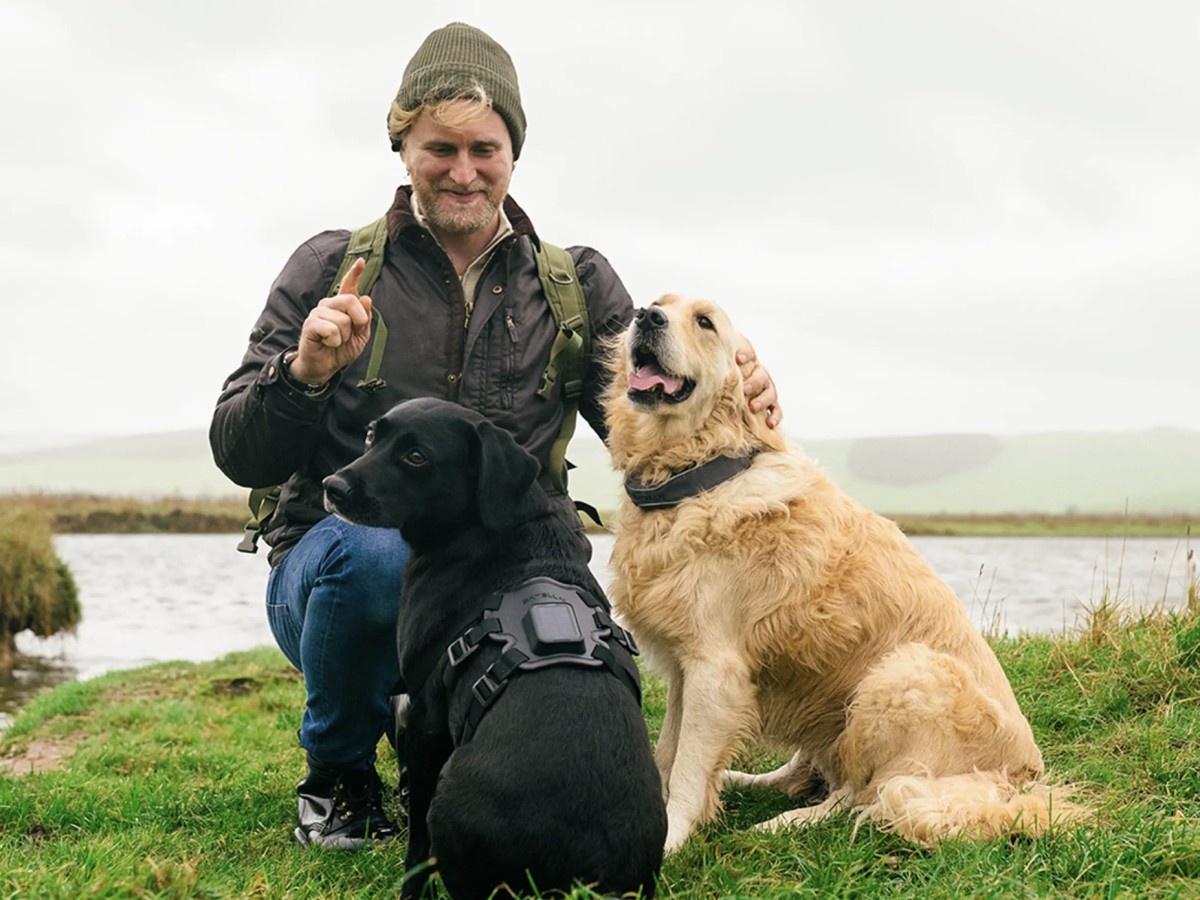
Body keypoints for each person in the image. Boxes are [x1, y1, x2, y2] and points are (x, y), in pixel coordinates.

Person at [209, 21, 782, 850]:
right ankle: (338, 779)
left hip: (517, 572)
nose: (464, 170)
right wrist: (304, 373)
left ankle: (503, 771)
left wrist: (735, 385)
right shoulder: (329, 268)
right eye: (439, 147)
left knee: (578, 633)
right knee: (376, 557)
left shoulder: (574, 285)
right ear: (402, 143)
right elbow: (238, 452)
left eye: (486, 147)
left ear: (513, 152)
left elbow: (653, 414)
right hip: (343, 573)